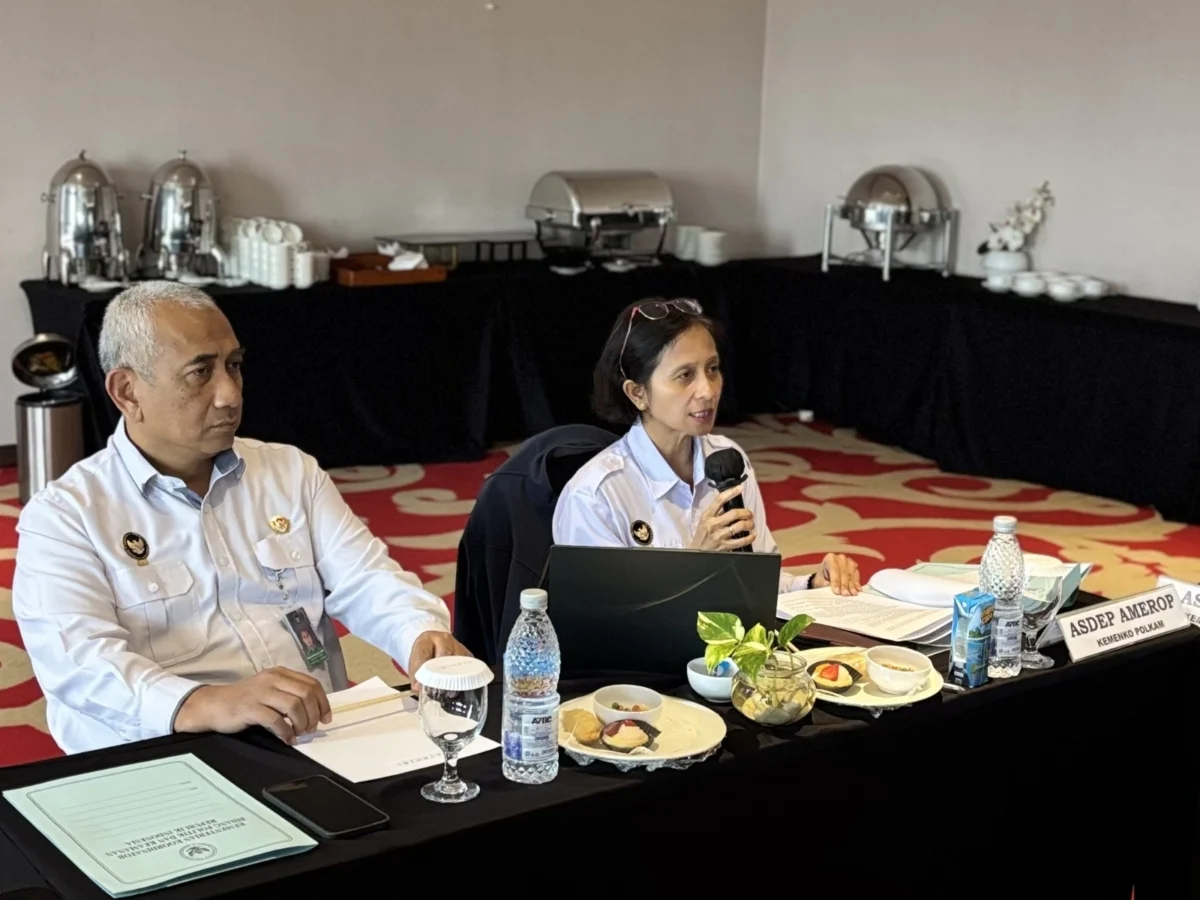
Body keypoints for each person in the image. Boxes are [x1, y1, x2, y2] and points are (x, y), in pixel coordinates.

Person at [12, 281, 470, 754]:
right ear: (128, 391)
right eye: (200, 373)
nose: (230, 395)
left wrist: (418, 631)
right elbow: (80, 663)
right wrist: (202, 702)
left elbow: (368, 579)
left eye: (233, 365)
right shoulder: (65, 517)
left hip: (314, 738)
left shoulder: (290, 471)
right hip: (166, 753)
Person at [552, 298, 862, 595]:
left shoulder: (727, 460)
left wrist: (809, 584)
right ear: (637, 393)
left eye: (712, 369)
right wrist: (696, 560)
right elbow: (602, 618)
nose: (707, 390)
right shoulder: (596, 496)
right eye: (685, 375)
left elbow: (755, 580)